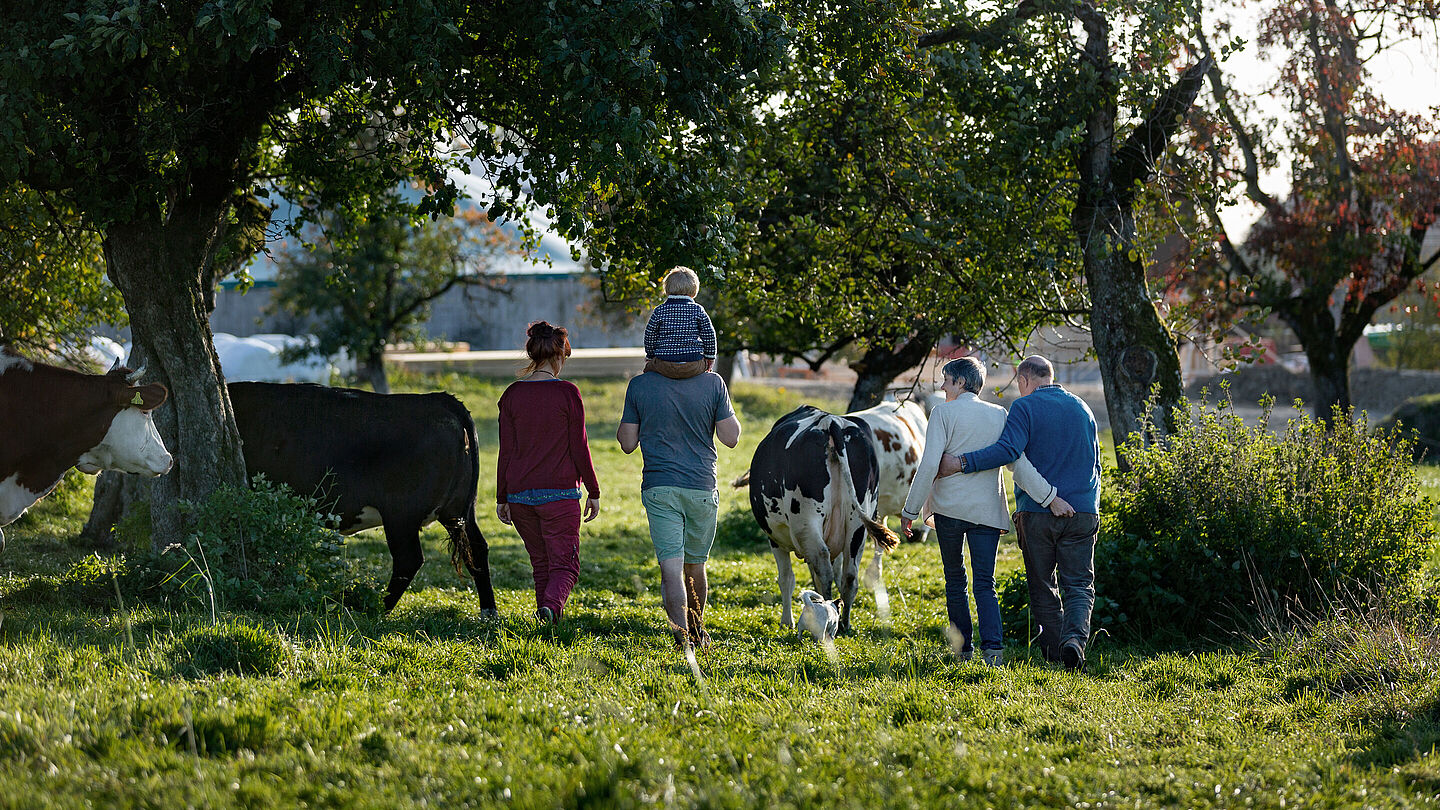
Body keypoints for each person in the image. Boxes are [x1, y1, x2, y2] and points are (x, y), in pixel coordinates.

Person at [899, 357, 1068, 667]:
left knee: (955, 581)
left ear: (961, 382)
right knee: (985, 583)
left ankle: (963, 651)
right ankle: (994, 651)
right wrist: (1050, 497)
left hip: (949, 509)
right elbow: (1018, 464)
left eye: (947, 380)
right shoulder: (999, 414)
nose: (942, 385)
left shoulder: (941, 413)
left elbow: (929, 465)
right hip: (987, 511)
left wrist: (910, 510)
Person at [946, 355, 1100, 671]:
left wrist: (963, 463)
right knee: (1079, 584)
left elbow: (1008, 451)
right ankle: (1074, 642)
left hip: (1037, 512)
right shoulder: (1083, 409)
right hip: (1084, 510)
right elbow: (1095, 462)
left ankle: (1054, 655)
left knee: (1043, 585)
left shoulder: (1024, 407)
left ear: (1024, 379)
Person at [617, 367, 741, 649]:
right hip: (701, 487)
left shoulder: (639, 385)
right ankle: (698, 631)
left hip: (659, 487)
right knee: (696, 565)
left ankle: (682, 638)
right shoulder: (713, 384)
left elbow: (626, 443)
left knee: (671, 570)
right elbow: (731, 438)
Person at [496, 321, 601, 624]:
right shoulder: (568, 393)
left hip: (519, 495)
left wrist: (502, 496)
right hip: (559, 494)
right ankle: (552, 608)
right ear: (558, 357)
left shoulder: (512, 395)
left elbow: (507, 451)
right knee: (565, 566)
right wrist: (593, 492)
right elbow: (579, 447)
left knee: (541, 563)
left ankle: (547, 620)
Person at [643, 266, 717, 379]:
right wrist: (710, 357)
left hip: (664, 364)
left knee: (647, 371)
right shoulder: (698, 310)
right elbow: (709, 334)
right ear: (694, 290)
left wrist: (651, 355)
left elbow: (650, 335)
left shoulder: (659, 310)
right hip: (693, 364)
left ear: (667, 288)